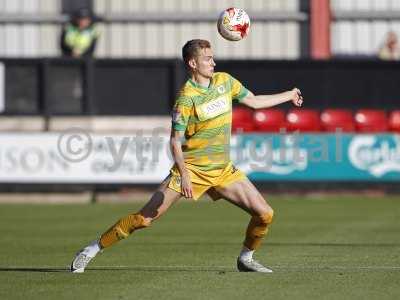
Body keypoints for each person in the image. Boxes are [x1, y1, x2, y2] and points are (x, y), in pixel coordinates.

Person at [70, 39, 303, 273]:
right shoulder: (186, 98)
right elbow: (174, 141)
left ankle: (246, 258)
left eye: (213, 57)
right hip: (191, 170)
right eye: (207, 58)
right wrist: (184, 175)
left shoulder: (225, 81)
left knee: (265, 214)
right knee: (144, 219)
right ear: (193, 63)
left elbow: (253, 101)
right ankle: (90, 250)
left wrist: (288, 94)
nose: (213, 62)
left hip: (222, 170)